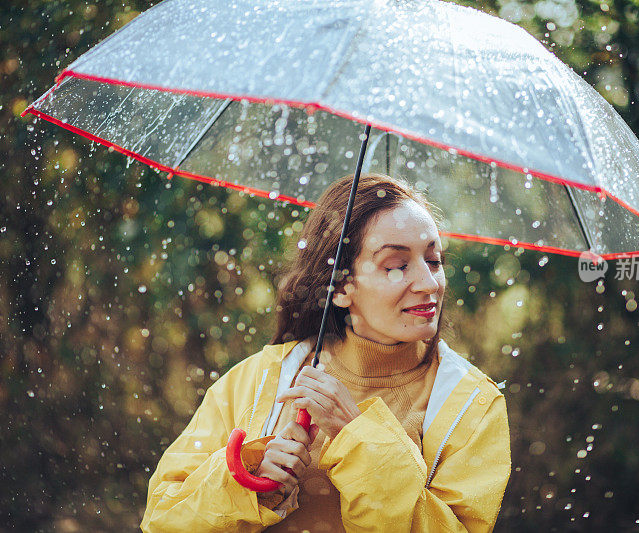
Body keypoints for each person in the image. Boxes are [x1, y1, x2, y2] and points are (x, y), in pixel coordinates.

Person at [141, 174, 511, 532]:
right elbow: (163, 518)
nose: (429, 283)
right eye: (397, 266)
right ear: (340, 287)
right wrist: (250, 480)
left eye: (434, 261)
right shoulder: (260, 380)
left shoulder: (470, 406)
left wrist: (358, 436)